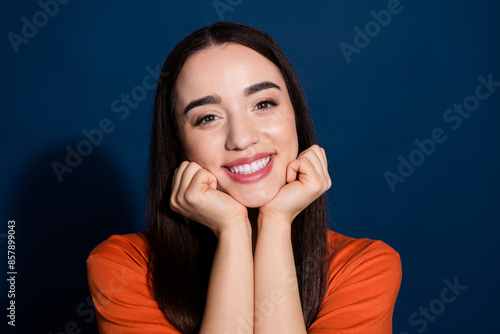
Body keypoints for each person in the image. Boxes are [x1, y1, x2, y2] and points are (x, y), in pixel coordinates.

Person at [86, 21, 401, 334]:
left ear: (296, 116)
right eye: (208, 117)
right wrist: (232, 230)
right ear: (178, 144)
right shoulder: (124, 267)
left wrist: (275, 221)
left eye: (263, 104)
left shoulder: (364, 268)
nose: (241, 138)